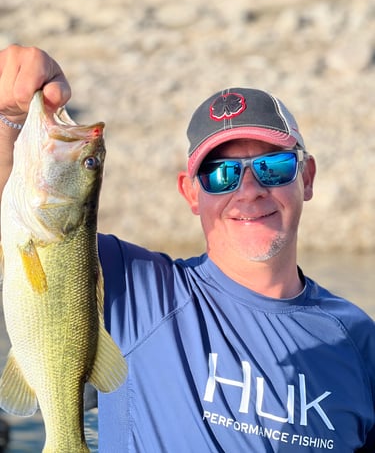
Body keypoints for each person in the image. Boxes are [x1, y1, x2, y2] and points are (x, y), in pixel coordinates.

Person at [0, 44, 374, 453]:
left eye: (274, 166)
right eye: (220, 173)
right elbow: (27, 214)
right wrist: (9, 118)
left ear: (306, 178)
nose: (249, 190)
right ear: (191, 193)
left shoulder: (358, 339)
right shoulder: (138, 289)